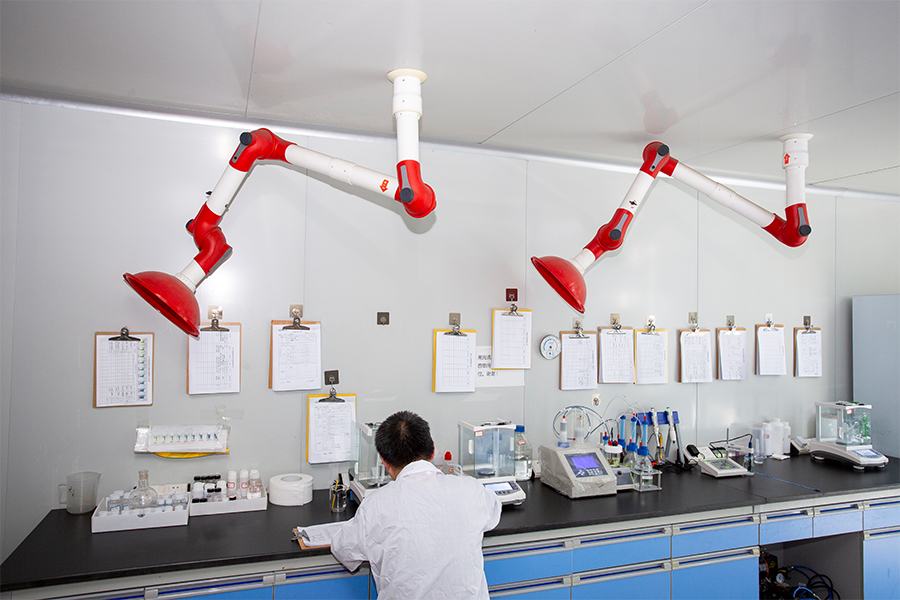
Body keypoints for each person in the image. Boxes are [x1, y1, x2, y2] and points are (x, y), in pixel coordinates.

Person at [331, 410, 502, 599]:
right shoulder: (470, 489)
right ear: (432, 451)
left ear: (384, 462)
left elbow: (343, 549)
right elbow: (494, 511)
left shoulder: (376, 505)